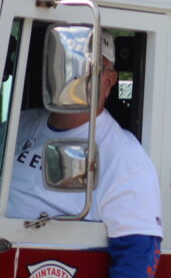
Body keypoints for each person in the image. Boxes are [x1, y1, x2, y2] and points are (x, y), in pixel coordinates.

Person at [7, 31, 162, 276]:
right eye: (69, 62)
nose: (77, 75)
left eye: (90, 67)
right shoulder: (19, 124)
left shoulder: (125, 158)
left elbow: (137, 256)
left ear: (110, 81)